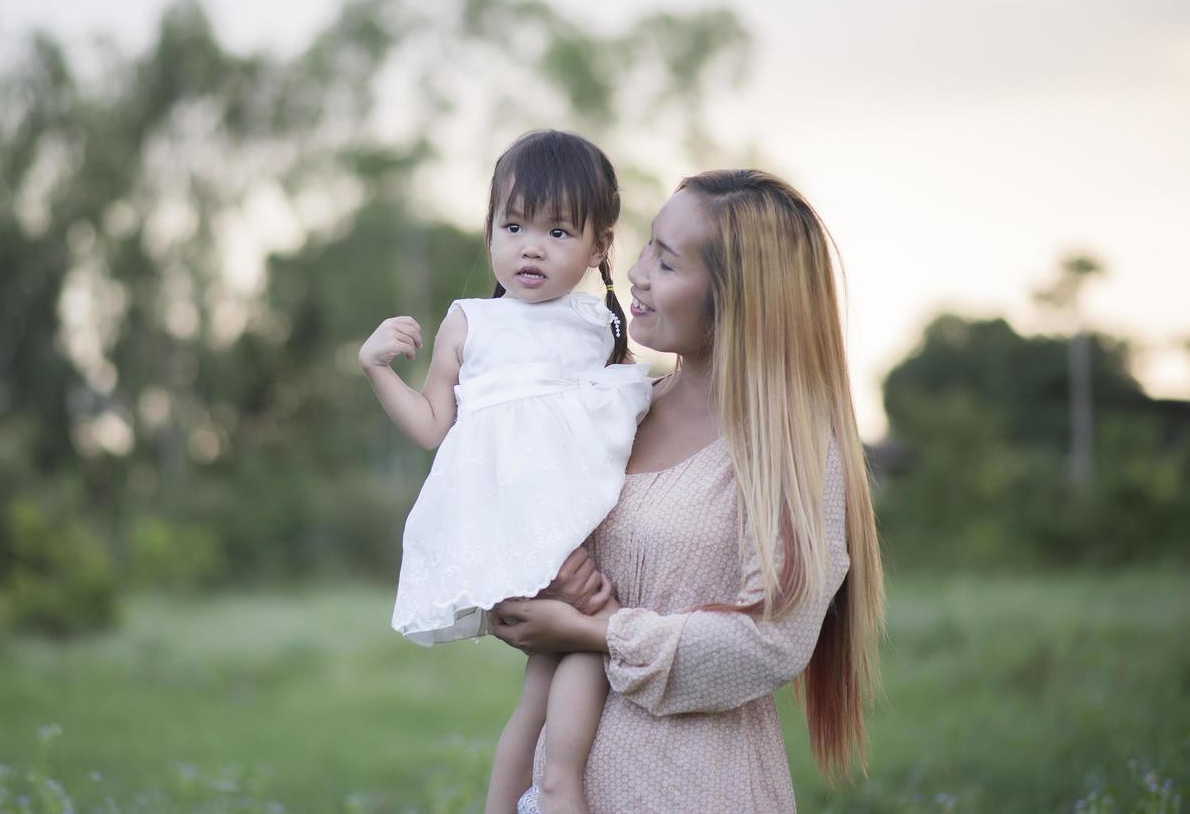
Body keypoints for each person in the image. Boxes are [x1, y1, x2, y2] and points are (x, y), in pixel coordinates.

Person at [490, 169, 886, 813]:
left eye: (668, 264)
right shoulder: (615, 405)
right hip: (560, 788)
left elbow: (770, 643)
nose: (638, 274)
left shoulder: (788, 450)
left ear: (738, 299)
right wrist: (524, 598)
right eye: (647, 247)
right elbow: (514, 538)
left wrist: (598, 632)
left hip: (694, 788)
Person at [358, 130, 652, 814]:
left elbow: (610, 428)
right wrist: (375, 367)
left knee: (543, 669)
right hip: (509, 519)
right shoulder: (471, 322)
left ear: (599, 246)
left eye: (556, 231)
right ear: (488, 229)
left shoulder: (597, 326)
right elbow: (434, 425)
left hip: (568, 523)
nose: (530, 246)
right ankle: (562, 782)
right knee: (596, 626)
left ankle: (504, 803)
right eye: (512, 225)